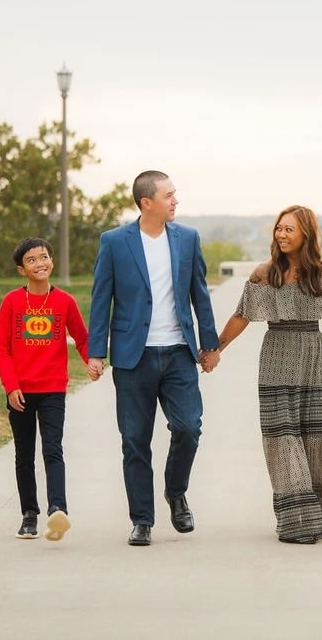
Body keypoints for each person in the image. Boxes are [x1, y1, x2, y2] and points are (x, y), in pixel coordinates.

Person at [87, 170, 220, 547]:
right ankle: (142, 519)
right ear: (147, 202)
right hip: (133, 357)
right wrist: (96, 352)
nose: (176, 201)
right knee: (134, 440)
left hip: (178, 353)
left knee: (188, 428)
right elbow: (101, 299)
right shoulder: (114, 242)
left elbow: (200, 295)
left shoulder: (188, 238)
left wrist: (209, 346)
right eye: (169, 195)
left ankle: (175, 492)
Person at [215, 205, 322, 544]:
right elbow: (242, 315)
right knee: (284, 440)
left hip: (314, 356)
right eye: (279, 229)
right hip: (276, 357)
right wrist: (216, 348)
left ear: (305, 235)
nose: (281, 235)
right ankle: (298, 522)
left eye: (289, 230)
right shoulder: (264, 273)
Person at [0, 237, 90, 541]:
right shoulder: (11, 302)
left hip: (52, 389)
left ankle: (57, 511)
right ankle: (29, 515)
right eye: (32, 260)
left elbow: (83, 338)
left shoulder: (64, 302)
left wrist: (93, 362)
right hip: (20, 392)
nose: (40, 263)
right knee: (24, 454)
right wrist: (11, 387)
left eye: (44, 257)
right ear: (22, 269)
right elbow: (1, 349)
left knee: (53, 449)